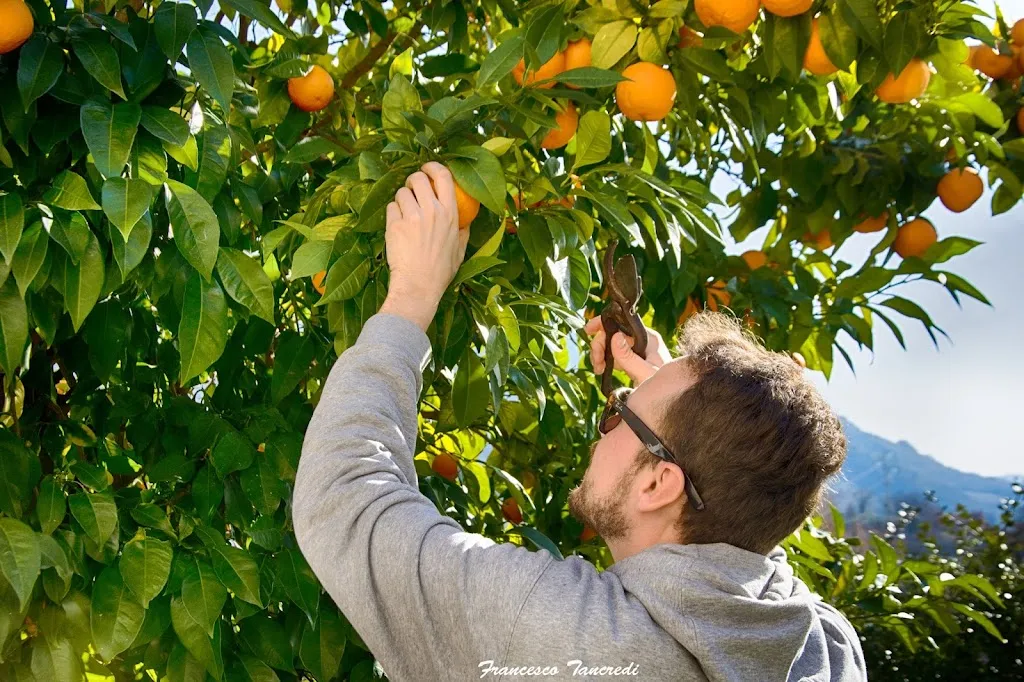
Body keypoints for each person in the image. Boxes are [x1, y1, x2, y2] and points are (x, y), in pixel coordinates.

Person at [292, 162, 867, 681]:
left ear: (659, 484)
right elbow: (754, 526)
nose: (607, 414)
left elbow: (343, 499)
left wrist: (413, 294)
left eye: (621, 413)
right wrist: (684, 409)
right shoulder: (823, 645)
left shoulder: (569, 635)